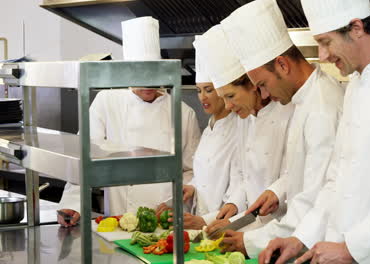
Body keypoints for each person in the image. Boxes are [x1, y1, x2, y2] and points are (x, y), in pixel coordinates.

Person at [259, 0, 370, 263]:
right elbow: (336, 180)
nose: (322, 56)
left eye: (325, 42)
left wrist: (351, 250)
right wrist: (300, 238)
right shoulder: (355, 84)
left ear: (356, 28)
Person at [207, 0, 344, 257]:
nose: (264, 94)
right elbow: (300, 174)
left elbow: (317, 198)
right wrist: (277, 192)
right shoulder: (304, 100)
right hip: (300, 239)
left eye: (262, 84)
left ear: (282, 64)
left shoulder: (322, 107)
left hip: (315, 245)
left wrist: (250, 242)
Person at [57, 17, 201, 227]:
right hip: (117, 218)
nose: (148, 84)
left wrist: (175, 203)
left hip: (165, 219)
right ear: (127, 71)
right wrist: (73, 203)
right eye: (140, 76)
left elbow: (191, 170)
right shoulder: (106, 102)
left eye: (153, 75)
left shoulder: (183, 113)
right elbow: (85, 158)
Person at [194, 24, 294, 235]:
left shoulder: (288, 111)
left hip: (277, 230)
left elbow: (289, 181)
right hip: (247, 224)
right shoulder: (244, 118)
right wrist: (234, 205)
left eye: (230, 96)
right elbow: (242, 175)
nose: (228, 107)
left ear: (253, 85)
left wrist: (238, 222)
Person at [158, 35, 239, 230]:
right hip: (202, 227)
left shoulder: (239, 127)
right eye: (198, 90)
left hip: (223, 227)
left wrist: (207, 220)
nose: (202, 97)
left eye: (209, 90)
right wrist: (192, 188)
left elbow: (239, 189)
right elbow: (204, 175)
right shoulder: (210, 127)